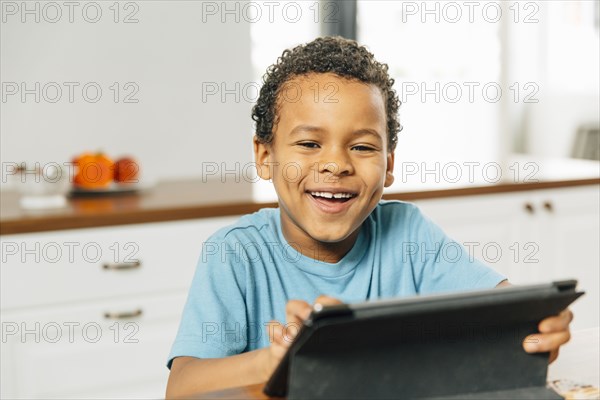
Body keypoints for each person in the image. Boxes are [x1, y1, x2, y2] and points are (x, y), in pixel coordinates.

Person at [165, 36, 573, 397]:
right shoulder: (235, 253)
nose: (336, 164)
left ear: (388, 163)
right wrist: (272, 362)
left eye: (362, 147)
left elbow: (502, 309)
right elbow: (181, 388)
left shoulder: (409, 233)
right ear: (265, 156)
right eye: (309, 143)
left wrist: (536, 324)